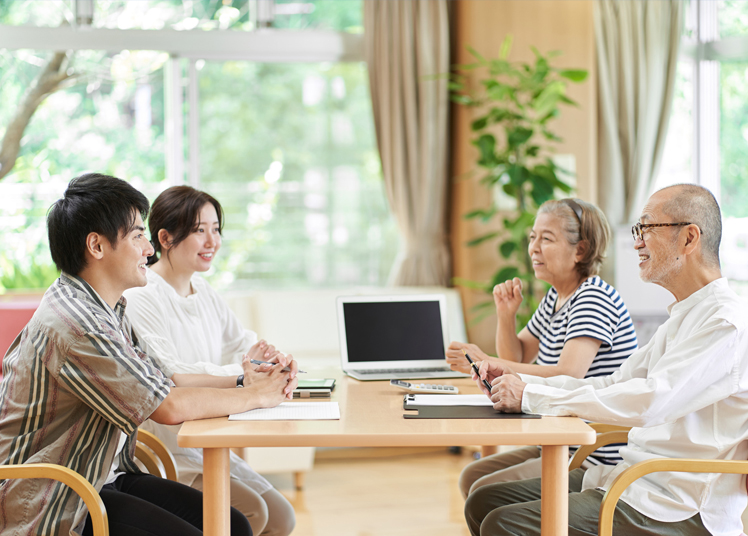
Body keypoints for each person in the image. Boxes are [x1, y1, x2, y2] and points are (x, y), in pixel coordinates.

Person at [0, 173, 298, 536]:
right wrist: (254, 394)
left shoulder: (109, 310)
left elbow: (165, 380)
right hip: (55, 497)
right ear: (96, 246)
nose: (148, 249)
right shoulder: (79, 325)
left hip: (101, 475)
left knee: (232, 523)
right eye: (138, 235)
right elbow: (168, 405)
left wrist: (247, 380)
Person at [465, 184, 748, 536]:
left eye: (647, 228)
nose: (637, 241)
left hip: (675, 504)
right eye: (637, 229)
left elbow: (650, 401)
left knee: (503, 523)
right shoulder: (681, 318)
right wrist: (525, 384)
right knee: (482, 502)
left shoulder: (726, 323)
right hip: (633, 479)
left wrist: (530, 395)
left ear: (689, 239)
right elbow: (613, 383)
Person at [122, 185, 295, 536]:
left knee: (281, 519)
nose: (212, 240)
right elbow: (174, 374)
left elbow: (241, 345)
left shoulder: (205, 293)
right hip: (170, 447)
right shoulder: (142, 296)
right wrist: (246, 377)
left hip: (210, 437)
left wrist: (269, 362)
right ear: (166, 238)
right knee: (253, 515)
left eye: (216, 229)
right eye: (200, 230)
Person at [446, 198, 638, 497]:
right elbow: (517, 357)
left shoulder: (593, 297)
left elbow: (569, 374)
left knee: (485, 489)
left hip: (590, 453)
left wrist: (489, 359)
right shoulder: (556, 297)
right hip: (558, 440)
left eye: (546, 239)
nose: (533, 247)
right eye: (533, 237)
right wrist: (505, 315)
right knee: (473, 475)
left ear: (581, 250)